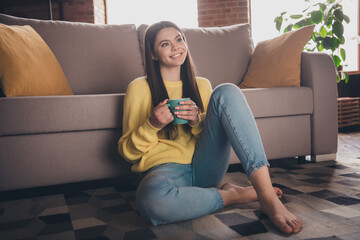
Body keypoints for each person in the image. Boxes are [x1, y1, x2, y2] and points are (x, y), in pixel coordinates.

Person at [118, 21, 302, 234]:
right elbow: (128, 153)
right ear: (153, 54)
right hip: (163, 172)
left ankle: (267, 196)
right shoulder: (139, 88)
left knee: (227, 91)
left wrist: (197, 121)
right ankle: (232, 195)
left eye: (179, 39)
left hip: (205, 167)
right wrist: (152, 125)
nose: (176, 47)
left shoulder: (202, 85)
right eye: (165, 44)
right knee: (150, 202)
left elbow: (212, 136)